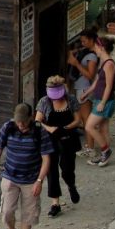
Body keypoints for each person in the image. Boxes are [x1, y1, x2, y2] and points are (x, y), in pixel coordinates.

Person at [0, 103, 53, 229]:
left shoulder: (39, 131)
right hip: (10, 177)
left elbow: (46, 159)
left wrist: (39, 181)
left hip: (31, 179)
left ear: (30, 117)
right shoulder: (8, 127)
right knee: (7, 212)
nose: (21, 124)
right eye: (18, 121)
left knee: (28, 215)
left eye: (23, 121)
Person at [35, 75, 82, 215]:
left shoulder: (71, 99)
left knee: (67, 168)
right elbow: (37, 121)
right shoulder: (44, 102)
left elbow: (78, 120)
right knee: (51, 170)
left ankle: (71, 185)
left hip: (67, 137)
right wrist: (49, 128)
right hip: (50, 139)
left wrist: (66, 128)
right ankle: (55, 203)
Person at [81, 35, 115, 166]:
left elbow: (108, 85)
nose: (95, 49)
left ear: (101, 47)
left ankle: (105, 151)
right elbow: (97, 81)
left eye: (96, 46)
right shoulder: (104, 62)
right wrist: (87, 92)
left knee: (89, 126)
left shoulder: (109, 64)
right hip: (100, 99)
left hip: (105, 101)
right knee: (104, 129)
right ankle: (104, 156)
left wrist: (102, 102)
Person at [67, 27, 100, 155]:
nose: (83, 43)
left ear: (91, 40)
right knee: (84, 118)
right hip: (80, 87)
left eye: (85, 41)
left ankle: (90, 148)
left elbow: (90, 75)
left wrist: (76, 64)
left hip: (85, 88)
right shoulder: (86, 51)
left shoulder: (91, 56)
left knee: (87, 120)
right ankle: (88, 146)